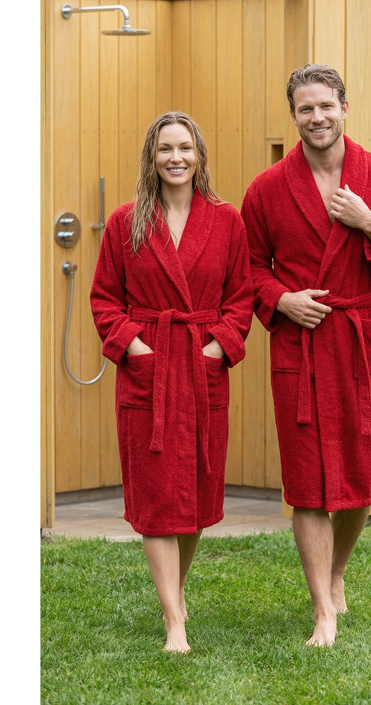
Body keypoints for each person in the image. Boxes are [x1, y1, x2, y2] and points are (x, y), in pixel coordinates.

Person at [240, 64, 371, 647]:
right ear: (293, 115)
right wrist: (282, 299)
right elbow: (246, 268)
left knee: (361, 473)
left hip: (360, 341)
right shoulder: (267, 189)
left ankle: (337, 572)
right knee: (306, 481)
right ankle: (322, 609)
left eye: (326, 106)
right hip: (299, 347)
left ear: (344, 108)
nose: (317, 117)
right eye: (306, 108)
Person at [90, 111, 253, 653]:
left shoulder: (226, 221)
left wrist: (216, 348)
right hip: (152, 375)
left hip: (202, 371)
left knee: (198, 493)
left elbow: (241, 299)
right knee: (159, 497)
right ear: (151, 157)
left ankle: (175, 593)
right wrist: (136, 349)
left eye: (185, 148)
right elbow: (104, 299)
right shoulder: (126, 222)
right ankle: (174, 621)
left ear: (199, 154)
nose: (175, 158)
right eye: (165, 149)